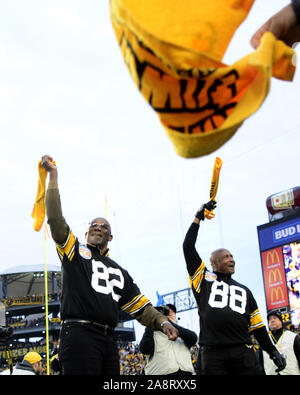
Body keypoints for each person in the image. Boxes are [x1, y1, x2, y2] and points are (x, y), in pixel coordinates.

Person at [41, 155, 178, 375]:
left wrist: (162, 322)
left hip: (108, 339)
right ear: (86, 233)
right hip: (78, 333)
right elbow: (56, 222)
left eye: (103, 226)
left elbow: (141, 307)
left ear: (110, 237)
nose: (97, 227)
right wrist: (53, 177)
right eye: (93, 225)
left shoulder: (120, 272)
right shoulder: (74, 252)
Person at [182, 200, 286, 375]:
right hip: (213, 353)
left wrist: (272, 351)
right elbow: (188, 247)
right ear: (213, 264)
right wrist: (198, 218)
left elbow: (258, 327)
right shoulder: (203, 279)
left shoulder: (245, 291)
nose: (231, 259)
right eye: (225, 257)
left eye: (231, 256)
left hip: (242, 352)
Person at [139, 304, 197, 375]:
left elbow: (193, 338)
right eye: (166, 313)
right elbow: (145, 349)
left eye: (172, 312)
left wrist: (169, 323)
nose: (169, 314)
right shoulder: (152, 333)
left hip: (186, 372)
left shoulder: (182, 333)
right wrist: (153, 321)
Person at [260, 310, 300, 375]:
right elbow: (260, 364)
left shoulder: (292, 336)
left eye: (275, 318)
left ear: (280, 321)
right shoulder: (264, 340)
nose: (272, 320)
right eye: (270, 319)